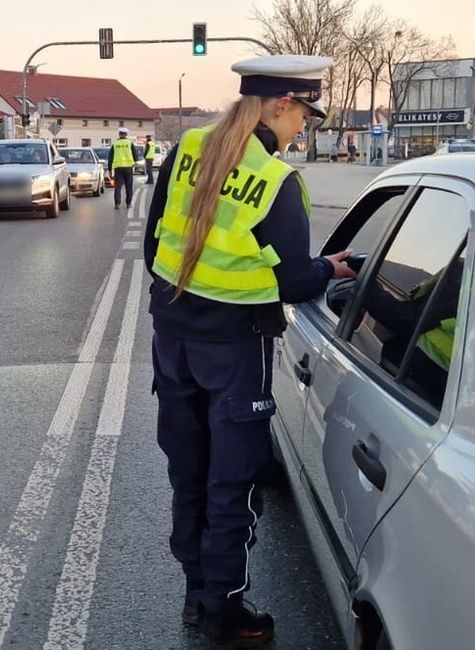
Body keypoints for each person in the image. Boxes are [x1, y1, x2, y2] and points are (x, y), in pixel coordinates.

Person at [143, 54, 355, 648]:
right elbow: (290, 281)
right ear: (282, 104)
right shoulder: (277, 180)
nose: (303, 131)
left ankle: (195, 593)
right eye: (303, 118)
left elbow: (156, 238)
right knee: (231, 483)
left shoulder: (189, 146)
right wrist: (329, 269)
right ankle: (225, 612)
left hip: (174, 341)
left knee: (190, 473)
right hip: (236, 352)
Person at [107, 126, 136, 209]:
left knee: (118, 186)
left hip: (118, 168)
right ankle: (128, 203)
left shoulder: (115, 144)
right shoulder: (130, 143)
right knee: (128, 186)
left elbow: (110, 158)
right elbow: (136, 157)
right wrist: (134, 163)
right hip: (128, 168)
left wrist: (109, 169)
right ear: (126, 135)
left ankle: (117, 204)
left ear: (119, 134)